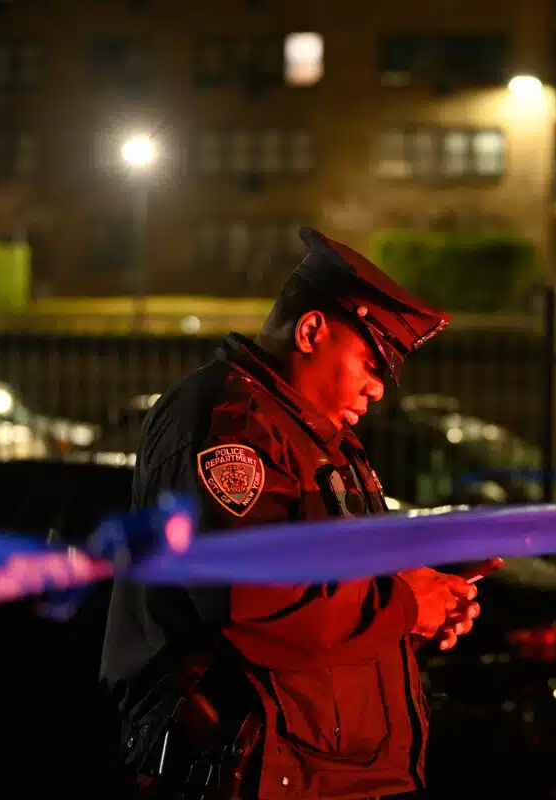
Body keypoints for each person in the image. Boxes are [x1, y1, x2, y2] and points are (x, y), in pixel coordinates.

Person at [100, 226, 487, 800]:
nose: (380, 390)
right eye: (373, 363)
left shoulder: (316, 436)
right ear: (311, 331)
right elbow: (257, 602)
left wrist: (422, 603)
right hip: (262, 773)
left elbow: (334, 597)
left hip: (323, 772)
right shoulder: (234, 427)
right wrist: (404, 605)